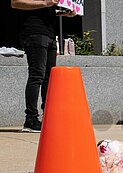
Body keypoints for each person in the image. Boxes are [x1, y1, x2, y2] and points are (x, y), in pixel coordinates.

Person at [11, 0, 76, 132]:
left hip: (50, 34)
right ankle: (31, 119)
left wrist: (63, 13)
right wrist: (45, 3)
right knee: (36, 76)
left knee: (49, 78)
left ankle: (47, 117)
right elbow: (15, 3)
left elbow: (45, 10)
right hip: (34, 32)